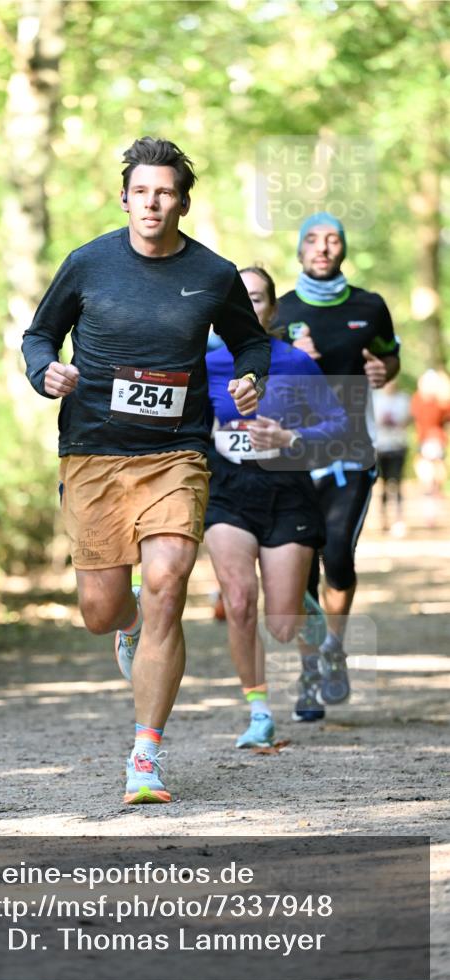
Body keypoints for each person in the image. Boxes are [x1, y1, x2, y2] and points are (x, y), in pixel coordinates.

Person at [22, 137, 270, 804]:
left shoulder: (214, 274)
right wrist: (44, 371)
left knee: (166, 580)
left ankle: (144, 756)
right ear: (124, 198)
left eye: (165, 192)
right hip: (93, 451)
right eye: (141, 191)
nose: (152, 202)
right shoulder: (87, 264)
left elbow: (251, 341)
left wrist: (249, 377)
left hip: (175, 454)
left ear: (182, 203)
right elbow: (38, 334)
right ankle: (128, 628)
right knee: (101, 611)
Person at [204, 266, 347, 747]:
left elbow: (339, 428)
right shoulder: (204, 365)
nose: (250, 308)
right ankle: (259, 710)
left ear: (272, 310)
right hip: (228, 491)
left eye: (259, 299)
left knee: (283, 626)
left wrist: (291, 437)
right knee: (240, 601)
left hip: (288, 490)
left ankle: (306, 607)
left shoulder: (295, 363)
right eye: (239, 301)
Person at [276, 212, 400, 707]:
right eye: (313, 239)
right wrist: (289, 356)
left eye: (332, 240)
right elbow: (251, 374)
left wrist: (382, 370)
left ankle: (335, 645)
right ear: (300, 249)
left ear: (343, 249)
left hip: (351, 453)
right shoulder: (279, 312)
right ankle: (310, 668)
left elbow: (390, 357)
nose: (323, 248)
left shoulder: (369, 307)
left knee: (339, 554)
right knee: (300, 571)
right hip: (293, 458)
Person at [410, 368, 450, 528]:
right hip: (425, 443)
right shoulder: (419, 400)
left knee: (433, 481)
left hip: (436, 443)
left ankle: (431, 514)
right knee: (427, 481)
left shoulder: (441, 402)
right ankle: (429, 513)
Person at [374, 379, 411, 535]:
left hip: (398, 446)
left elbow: (408, 419)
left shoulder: (403, 399)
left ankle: (398, 518)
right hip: (380, 446)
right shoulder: (375, 399)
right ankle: (382, 518)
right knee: (381, 484)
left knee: (396, 483)